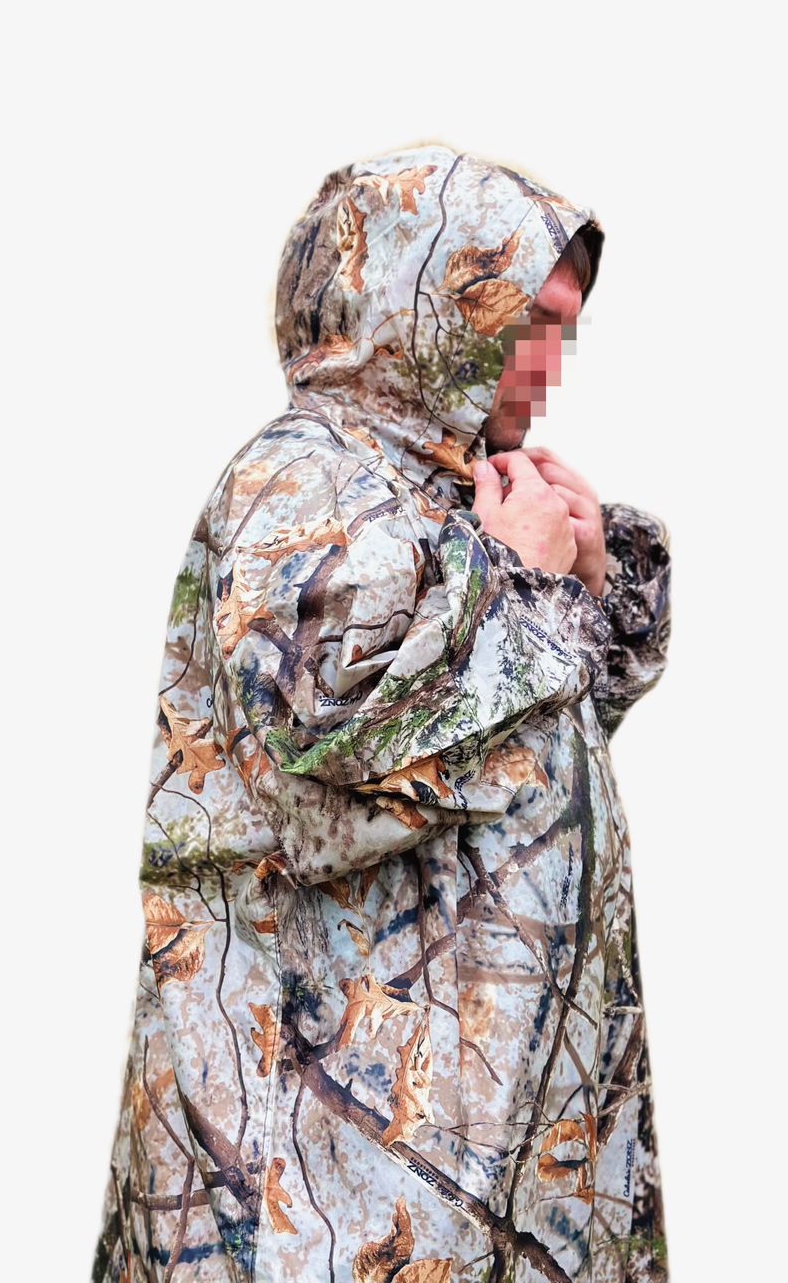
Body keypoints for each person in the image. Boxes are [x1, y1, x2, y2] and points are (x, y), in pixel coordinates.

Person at [92, 142, 673, 1282]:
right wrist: (518, 587)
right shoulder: (303, 484)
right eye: (526, 323)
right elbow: (335, 784)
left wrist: (589, 592)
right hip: (326, 1168)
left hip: (466, 1135)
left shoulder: (443, 488)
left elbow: (512, 770)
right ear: (420, 300)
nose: (547, 365)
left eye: (563, 330)